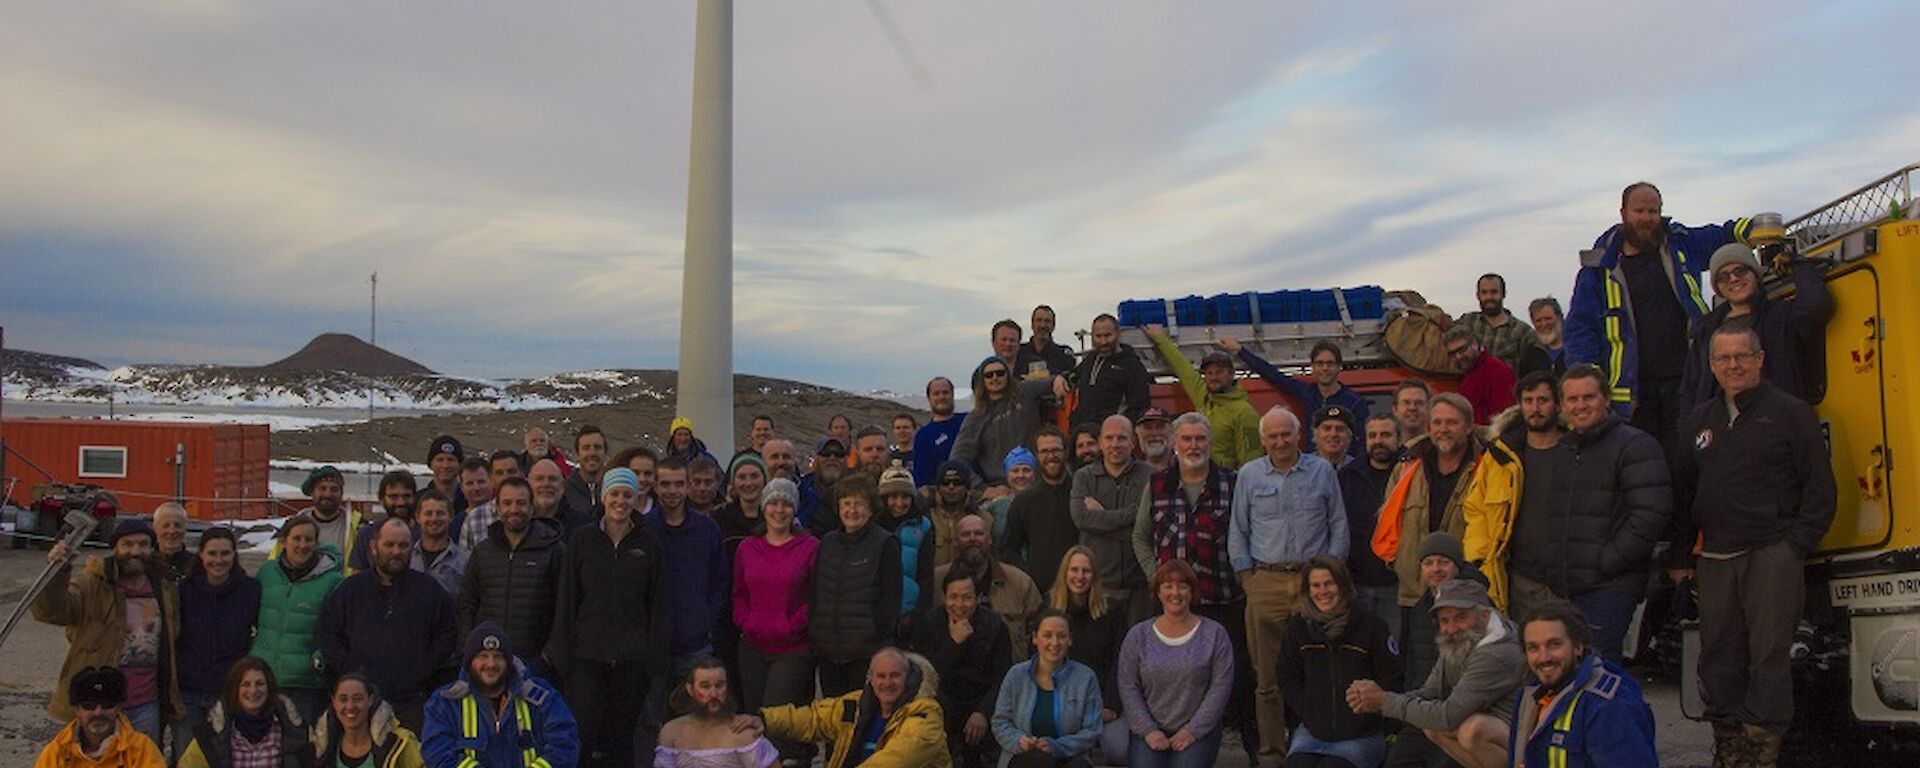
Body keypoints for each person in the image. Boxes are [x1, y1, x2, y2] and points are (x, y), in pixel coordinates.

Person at [1674, 325, 1836, 765]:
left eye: (1742, 356)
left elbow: (1821, 490)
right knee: (1719, 656)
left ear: (1760, 359)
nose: (1733, 365)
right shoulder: (1699, 422)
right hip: (1715, 558)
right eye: (1724, 359)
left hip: (1771, 553)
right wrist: (1680, 556)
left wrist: (1794, 546)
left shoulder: (1790, 413)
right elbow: (1684, 495)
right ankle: (1731, 748)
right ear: (1711, 366)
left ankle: (1763, 748)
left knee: (1768, 658)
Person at [1566, 181, 1760, 436]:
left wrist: (1760, 228)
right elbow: (1580, 328)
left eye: (1653, 211)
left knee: (1689, 460)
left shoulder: (1681, 244)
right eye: (1640, 211)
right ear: (1623, 213)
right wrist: (1588, 383)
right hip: (1631, 393)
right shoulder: (1598, 267)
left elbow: (1724, 235)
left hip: (1688, 381)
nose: (1647, 218)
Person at [1517, 366, 1669, 662]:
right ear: (1562, 406)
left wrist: (1605, 561)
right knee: (1571, 673)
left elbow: (1650, 514)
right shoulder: (1564, 451)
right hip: (1565, 588)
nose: (1580, 405)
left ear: (1606, 399)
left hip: (1610, 587)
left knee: (1600, 671)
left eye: (1588, 397)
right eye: (1572, 399)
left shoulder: (1635, 445)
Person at [1133, 412, 1258, 760]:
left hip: (1223, 598)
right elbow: (1141, 537)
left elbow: (1248, 532)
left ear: (1210, 443)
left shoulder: (1232, 483)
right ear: (1175, 444)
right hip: (1172, 605)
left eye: (1200, 439)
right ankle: (1176, 743)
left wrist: (1244, 577)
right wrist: (1155, 577)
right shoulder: (1157, 485)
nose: (1193, 445)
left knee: (1238, 676)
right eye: (1186, 439)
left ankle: (1246, 746)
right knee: (1177, 678)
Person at [1231, 406, 1348, 765]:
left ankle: (1323, 745)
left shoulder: (1322, 471)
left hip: (1314, 584)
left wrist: (1330, 575)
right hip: (1265, 582)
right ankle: (1271, 755)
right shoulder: (1249, 475)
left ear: (1299, 435)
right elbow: (1238, 531)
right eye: (1273, 436)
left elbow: (1338, 524)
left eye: (1286, 434)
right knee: (1266, 679)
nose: (1280, 441)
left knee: (1321, 671)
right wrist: (1248, 581)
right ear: (1263, 439)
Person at [551, 467, 671, 768]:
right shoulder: (582, 540)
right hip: (587, 659)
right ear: (604, 497)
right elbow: (567, 599)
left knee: (623, 740)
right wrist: (563, 654)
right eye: (615, 494)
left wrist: (654, 658)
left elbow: (657, 604)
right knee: (582, 737)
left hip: (632, 661)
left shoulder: (648, 544)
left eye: (627, 494)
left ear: (636, 498)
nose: (621, 500)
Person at [1346, 580, 1524, 768]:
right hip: (1484, 727)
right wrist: (1374, 701)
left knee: (1471, 730)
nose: (1451, 628)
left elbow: (1448, 715)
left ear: (1484, 616)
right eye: (1444, 621)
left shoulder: (1496, 652)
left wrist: (1384, 701)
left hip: (1519, 733)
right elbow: (1430, 693)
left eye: (1461, 618)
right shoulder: (1460, 640)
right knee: (1430, 724)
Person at [35, 519, 180, 748]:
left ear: (152, 548)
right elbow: (52, 611)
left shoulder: (165, 588)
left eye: (143, 544)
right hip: (99, 706)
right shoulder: (93, 585)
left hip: (147, 704)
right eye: (127, 544)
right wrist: (58, 571)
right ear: (115, 549)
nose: (136, 551)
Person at [317, 518, 459, 730]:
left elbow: (447, 635)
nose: (396, 552)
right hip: (361, 703)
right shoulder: (351, 590)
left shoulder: (429, 591)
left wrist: (421, 669)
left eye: (403, 545)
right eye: (389, 545)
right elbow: (328, 634)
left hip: (412, 702)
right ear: (374, 547)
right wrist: (352, 669)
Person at [1677, 242, 1833, 414]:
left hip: (1775, 421)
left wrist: (1798, 265)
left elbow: (1815, 307)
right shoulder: (1706, 330)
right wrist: (1691, 429)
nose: (1734, 279)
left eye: (1740, 271)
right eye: (1723, 276)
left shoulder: (1780, 316)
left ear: (1756, 275)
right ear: (1717, 287)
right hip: (1720, 429)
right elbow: (1689, 390)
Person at [1278, 557, 1402, 768]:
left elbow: (1392, 678)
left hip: (1360, 735)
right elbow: (1287, 676)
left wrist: (1370, 713)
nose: (1323, 591)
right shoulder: (1297, 628)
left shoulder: (1371, 626)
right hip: (1312, 732)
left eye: (1329, 583)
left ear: (1343, 585)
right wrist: (1310, 710)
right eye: (1315, 586)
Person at [730, 477, 819, 764]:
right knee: (754, 719)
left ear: (795, 510)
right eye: (773, 503)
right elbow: (739, 591)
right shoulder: (748, 547)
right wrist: (744, 620)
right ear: (764, 507)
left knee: (777, 718)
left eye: (786, 504)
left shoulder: (809, 546)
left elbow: (815, 596)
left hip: (792, 648)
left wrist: (792, 624)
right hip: (752, 645)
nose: (779, 510)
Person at [741, 648, 951, 768]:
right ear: (871, 678)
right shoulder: (856, 704)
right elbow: (814, 718)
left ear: (909, 678)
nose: (887, 683)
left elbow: (893, 761)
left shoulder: (925, 715)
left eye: (895, 675)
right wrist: (764, 720)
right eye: (881, 676)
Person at [1509, 601, 1658, 768]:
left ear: (1578, 647)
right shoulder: (1530, 695)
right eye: (1533, 648)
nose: (1544, 657)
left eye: (1554, 644)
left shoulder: (1608, 705)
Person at [1117, 560, 1234, 768]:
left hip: (1197, 732)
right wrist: (1148, 730)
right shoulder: (1138, 635)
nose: (1175, 593)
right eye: (1168, 586)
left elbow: (1220, 687)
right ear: (1158, 592)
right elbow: (1128, 686)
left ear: (1192, 591)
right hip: (1148, 730)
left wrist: (1192, 731)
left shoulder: (1215, 634)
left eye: (1183, 586)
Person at [1469, 372, 1565, 619]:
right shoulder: (1501, 456)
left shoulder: (1578, 449)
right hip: (1520, 579)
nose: (1535, 408)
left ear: (1557, 403)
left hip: (1568, 577)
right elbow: (1476, 510)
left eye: (1543, 400)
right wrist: (1478, 563)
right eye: (1528, 400)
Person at [1374, 393, 1483, 610]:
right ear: (1429, 427)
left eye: (1452, 422)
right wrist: (1399, 565)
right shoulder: (1406, 469)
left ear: (1469, 427)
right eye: (1437, 422)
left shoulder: (1485, 470)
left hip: (1464, 596)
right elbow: (1388, 521)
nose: (1443, 429)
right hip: (1413, 594)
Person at [422, 623, 578, 768]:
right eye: (483, 656)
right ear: (469, 663)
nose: (491, 664)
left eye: (498, 656)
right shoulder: (445, 703)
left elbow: (564, 746)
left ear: (508, 662)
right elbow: (437, 755)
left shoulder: (542, 697)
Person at [457, 477, 565, 680]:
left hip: (536, 664)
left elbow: (564, 608)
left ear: (532, 507)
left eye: (521, 503)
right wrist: (468, 647)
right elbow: (467, 604)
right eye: (507, 503)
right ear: (497, 508)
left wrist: (548, 656)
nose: (514, 509)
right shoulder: (483, 551)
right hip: (487, 662)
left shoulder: (554, 551)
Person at [171, 527, 262, 761]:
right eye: (212, 554)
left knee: (226, 757)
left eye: (225, 554)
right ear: (201, 554)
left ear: (234, 555)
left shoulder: (250, 590)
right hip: (189, 691)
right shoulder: (184, 591)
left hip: (229, 691)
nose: (218, 560)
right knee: (188, 757)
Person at [811, 476, 905, 697]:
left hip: (865, 652)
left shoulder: (885, 543)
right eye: (846, 503)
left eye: (859, 503)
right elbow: (816, 592)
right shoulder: (827, 543)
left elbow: (891, 598)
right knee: (832, 717)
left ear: (871, 509)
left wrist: (876, 633)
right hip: (828, 650)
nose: (852, 510)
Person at [914, 569, 1015, 768]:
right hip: (943, 704)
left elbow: (1003, 677)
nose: (959, 605)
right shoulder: (928, 622)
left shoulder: (995, 626)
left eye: (967, 598)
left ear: (978, 598)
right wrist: (954, 643)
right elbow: (927, 675)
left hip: (981, 702)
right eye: (953, 597)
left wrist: (983, 712)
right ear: (944, 597)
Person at [250, 516, 345, 723]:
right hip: (265, 677)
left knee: (300, 747)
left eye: (309, 540)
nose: (303, 545)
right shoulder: (267, 573)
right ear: (284, 541)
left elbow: (339, 628)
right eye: (297, 539)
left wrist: (320, 659)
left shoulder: (333, 581)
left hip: (306, 684)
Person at [647, 458, 730, 678]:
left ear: (687, 486)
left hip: (696, 643)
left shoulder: (707, 528)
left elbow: (719, 581)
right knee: (653, 712)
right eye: (665, 484)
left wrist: (705, 619)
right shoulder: (643, 529)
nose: (672, 490)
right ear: (655, 487)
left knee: (698, 711)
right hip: (651, 645)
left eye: (679, 484)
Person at [991, 609, 1106, 768]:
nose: (1055, 643)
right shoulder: (1016, 675)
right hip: (1025, 757)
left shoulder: (1086, 678)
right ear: (1035, 638)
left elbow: (1092, 730)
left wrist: (1056, 746)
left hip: (1071, 757)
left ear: (1070, 640)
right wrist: (1019, 741)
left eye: (1061, 636)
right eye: (1047, 635)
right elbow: (1000, 722)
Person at [1225, 338, 1370, 458]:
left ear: (1339, 367)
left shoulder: (1355, 402)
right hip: (1312, 470)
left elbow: (1363, 444)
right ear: (1312, 367)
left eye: (1330, 363)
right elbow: (1273, 375)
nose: (1325, 368)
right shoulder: (1307, 392)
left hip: (1344, 471)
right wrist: (1240, 351)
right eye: (1320, 363)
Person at [1070, 415, 1154, 623]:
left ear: (1133, 442)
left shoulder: (1150, 476)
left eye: (1122, 438)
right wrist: (1132, 515)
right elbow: (1081, 519)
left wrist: (1100, 516)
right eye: (1109, 438)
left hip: (1140, 587)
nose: (1115, 444)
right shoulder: (1083, 477)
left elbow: (1150, 525)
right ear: (1100, 443)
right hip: (1099, 585)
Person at [1144, 324, 1262, 468]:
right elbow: (1183, 369)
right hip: (1201, 479)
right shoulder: (1204, 397)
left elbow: (1252, 463)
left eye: (1219, 372)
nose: (1213, 377)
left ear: (1231, 374)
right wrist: (1160, 338)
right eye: (1209, 373)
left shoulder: (1244, 413)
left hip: (1227, 485)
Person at [935, 515, 1044, 658]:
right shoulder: (936, 580)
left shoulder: (1020, 582)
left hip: (1007, 672)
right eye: (965, 534)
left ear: (990, 539)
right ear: (955, 541)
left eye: (979, 533)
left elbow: (1040, 630)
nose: (972, 539)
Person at [175, 657, 312, 768]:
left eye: (259, 684)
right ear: (235, 689)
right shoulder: (209, 736)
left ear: (269, 687)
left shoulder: (294, 731)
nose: (253, 691)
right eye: (246, 684)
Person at [1399, 532, 1485, 700]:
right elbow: (1412, 665)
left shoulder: (1478, 605)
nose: (1436, 569)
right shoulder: (1419, 608)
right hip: (1425, 704)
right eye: (1428, 563)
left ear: (1457, 566)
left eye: (1444, 562)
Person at [1340, 414, 1404, 635]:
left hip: (1397, 585)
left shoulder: (1412, 474)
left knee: (1393, 650)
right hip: (1358, 584)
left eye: (1386, 435)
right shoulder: (1348, 476)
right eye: (1373, 435)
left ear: (1399, 438)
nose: (1378, 441)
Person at [655, 659, 779, 768]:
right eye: (705, 686)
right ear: (690, 689)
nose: (714, 694)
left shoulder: (744, 733)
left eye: (719, 686)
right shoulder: (671, 732)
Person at [34, 667, 167, 768]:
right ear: (77, 710)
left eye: (107, 705)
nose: (98, 713)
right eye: (89, 706)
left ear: (119, 708)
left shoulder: (141, 749)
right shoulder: (57, 752)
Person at [954, 356, 1054, 485]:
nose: (995, 378)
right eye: (989, 375)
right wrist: (981, 487)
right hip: (1002, 486)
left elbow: (1052, 382)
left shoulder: (1025, 392)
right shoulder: (975, 418)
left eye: (1000, 373)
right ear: (982, 381)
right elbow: (958, 460)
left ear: (1008, 375)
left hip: (1038, 480)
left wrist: (1058, 382)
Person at [1003, 428, 1077, 593]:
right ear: (1036, 455)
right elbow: (1009, 549)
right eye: (1044, 451)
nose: (1051, 456)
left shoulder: (1081, 491)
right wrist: (1029, 576)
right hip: (1041, 592)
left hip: (1081, 587)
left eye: (1056, 450)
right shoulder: (1024, 501)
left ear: (1065, 452)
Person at [876, 464, 938, 640]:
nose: (899, 503)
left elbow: (925, 574)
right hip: (878, 608)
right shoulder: (873, 524)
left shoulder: (923, 526)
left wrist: (921, 611)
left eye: (905, 497)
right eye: (893, 497)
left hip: (909, 608)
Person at [1058, 314, 1151, 427]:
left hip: (1110, 436)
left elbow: (1139, 407)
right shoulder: (1091, 359)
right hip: (1082, 433)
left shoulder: (1132, 366)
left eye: (1108, 335)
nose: (1103, 341)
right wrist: (1061, 378)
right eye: (1098, 336)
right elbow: (1073, 375)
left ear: (1118, 334)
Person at [313, 674, 424, 768]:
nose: (350, 706)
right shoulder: (319, 749)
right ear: (334, 702)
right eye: (343, 699)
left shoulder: (399, 743)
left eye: (358, 699)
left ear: (370, 700)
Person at [1455, 273, 1549, 376]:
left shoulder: (1522, 332)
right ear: (1478, 295)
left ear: (1503, 294)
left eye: (1494, 292)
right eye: (1484, 292)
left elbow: (1535, 370)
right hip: (1469, 388)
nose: (1489, 297)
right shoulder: (1468, 322)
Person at [1444, 326, 1517, 427]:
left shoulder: (1497, 370)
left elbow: (1506, 416)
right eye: (1452, 354)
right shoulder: (1468, 374)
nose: (1458, 357)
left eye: (1462, 350)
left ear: (1475, 344)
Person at [350, 471, 421, 573]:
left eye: (406, 496)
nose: (401, 502)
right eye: (393, 497)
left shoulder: (424, 534)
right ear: (382, 499)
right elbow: (356, 578)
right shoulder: (366, 535)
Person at [298, 465, 366, 569]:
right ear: (312, 492)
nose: (328, 494)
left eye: (334, 489)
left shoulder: (358, 526)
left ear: (341, 493)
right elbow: (277, 562)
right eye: (322, 488)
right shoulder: (295, 525)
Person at [928, 461, 987, 568]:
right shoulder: (925, 516)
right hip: (932, 580)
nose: (951, 487)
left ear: (967, 486)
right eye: (945, 483)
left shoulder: (984, 517)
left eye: (957, 482)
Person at [914, 376, 971, 487]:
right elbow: (922, 479)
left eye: (945, 392)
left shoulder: (968, 421)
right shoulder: (923, 436)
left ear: (952, 395)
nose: (941, 397)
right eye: (936, 393)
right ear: (929, 398)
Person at [410, 490, 468, 598]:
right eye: (428, 513)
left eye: (440, 513)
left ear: (451, 516)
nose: (434, 519)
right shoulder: (407, 557)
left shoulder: (465, 561)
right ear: (418, 517)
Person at [982, 447, 1037, 559]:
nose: (1021, 475)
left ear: (1034, 474)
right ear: (1007, 475)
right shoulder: (994, 505)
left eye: (1026, 470)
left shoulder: (1042, 501)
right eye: (1015, 470)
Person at [715, 452, 771, 559]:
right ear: (733, 482)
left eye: (754, 476)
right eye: (742, 477)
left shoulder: (775, 517)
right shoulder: (720, 518)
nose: (748, 483)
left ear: (764, 480)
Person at [798, 437, 849, 536]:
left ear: (846, 460)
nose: (832, 458)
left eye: (839, 454)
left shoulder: (855, 490)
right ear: (816, 459)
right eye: (826, 454)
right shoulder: (801, 487)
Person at [529, 458, 590, 539]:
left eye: (552, 479)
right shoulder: (517, 521)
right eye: (539, 479)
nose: (546, 484)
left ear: (562, 485)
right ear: (528, 484)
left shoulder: (583, 526)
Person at [1017, 305, 1078, 379]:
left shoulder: (1063, 354)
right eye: (1039, 320)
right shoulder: (1018, 351)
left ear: (1053, 326)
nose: (1043, 325)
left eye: (1047, 321)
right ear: (1032, 324)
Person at [563, 424, 610, 520]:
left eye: (597, 447)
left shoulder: (616, 489)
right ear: (576, 455)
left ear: (605, 454)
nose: (592, 453)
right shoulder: (563, 491)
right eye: (586, 448)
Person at [454, 457, 497, 552]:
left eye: (481, 482)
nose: (476, 488)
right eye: (469, 483)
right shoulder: (456, 523)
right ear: (461, 487)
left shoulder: (505, 513)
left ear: (492, 481)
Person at [424, 435, 467, 518]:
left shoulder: (469, 498)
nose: (445, 465)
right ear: (431, 464)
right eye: (440, 460)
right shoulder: (419, 499)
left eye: (451, 460)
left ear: (460, 465)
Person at [150, 503, 194, 584]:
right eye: (166, 526)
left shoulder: (196, 565)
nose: (172, 531)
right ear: (155, 528)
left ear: (185, 528)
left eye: (177, 525)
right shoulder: (147, 564)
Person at [1528, 298, 1568, 377]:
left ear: (1560, 317)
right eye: (1538, 320)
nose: (1544, 324)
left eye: (1548, 318)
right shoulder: (1531, 353)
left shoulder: (1576, 348)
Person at [1134, 407, 1175, 474]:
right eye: (1148, 428)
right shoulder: (1129, 474)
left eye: (1160, 427)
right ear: (1137, 432)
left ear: (1172, 431)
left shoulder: (1187, 469)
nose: (1154, 433)